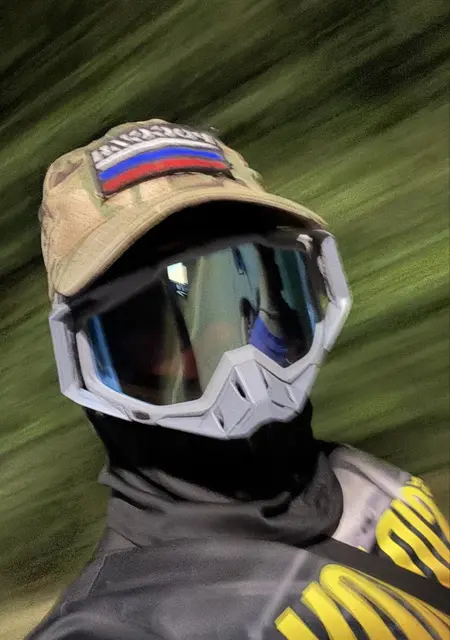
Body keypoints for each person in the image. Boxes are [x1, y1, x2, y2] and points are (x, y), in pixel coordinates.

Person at [28, 119, 449, 639]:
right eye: (151, 325)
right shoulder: (120, 625)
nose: (232, 352)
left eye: (248, 298)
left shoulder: (374, 484)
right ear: (88, 364)